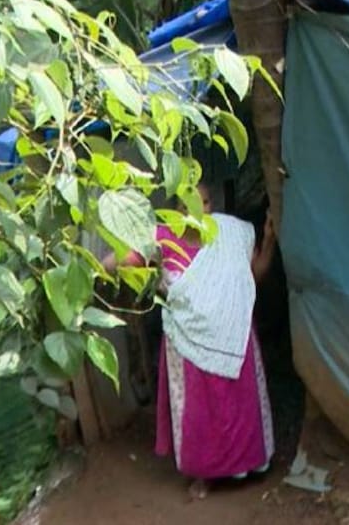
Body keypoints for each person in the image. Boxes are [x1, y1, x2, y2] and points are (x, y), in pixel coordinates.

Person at [102, 183, 277, 500]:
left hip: (234, 336)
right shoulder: (162, 237)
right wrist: (92, 266)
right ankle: (206, 474)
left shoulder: (230, 234)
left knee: (239, 406)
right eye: (189, 205)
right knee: (200, 413)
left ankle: (248, 463)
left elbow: (255, 277)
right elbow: (124, 261)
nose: (201, 210)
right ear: (176, 210)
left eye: (206, 202)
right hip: (188, 343)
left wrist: (268, 240)